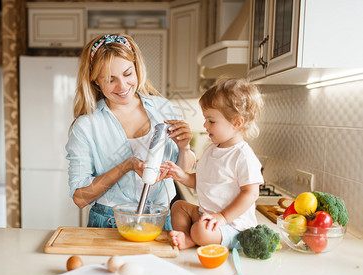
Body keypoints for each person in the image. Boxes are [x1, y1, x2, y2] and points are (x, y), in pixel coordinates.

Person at [65, 33, 195, 229]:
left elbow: (181, 172)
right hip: (110, 222)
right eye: (110, 79)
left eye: (127, 74)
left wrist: (184, 148)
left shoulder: (163, 109)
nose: (123, 86)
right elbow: (80, 198)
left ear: (137, 68)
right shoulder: (86, 126)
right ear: (96, 81)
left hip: (160, 219)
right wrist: (126, 166)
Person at [160, 78, 264, 249]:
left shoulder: (242, 155)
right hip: (207, 216)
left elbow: (251, 194)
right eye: (206, 119)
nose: (205, 125)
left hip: (233, 226)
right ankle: (187, 236)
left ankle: (193, 238)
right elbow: (202, 181)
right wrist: (182, 176)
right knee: (179, 206)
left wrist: (222, 217)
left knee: (201, 230)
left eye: (211, 121)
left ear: (237, 122)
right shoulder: (212, 149)